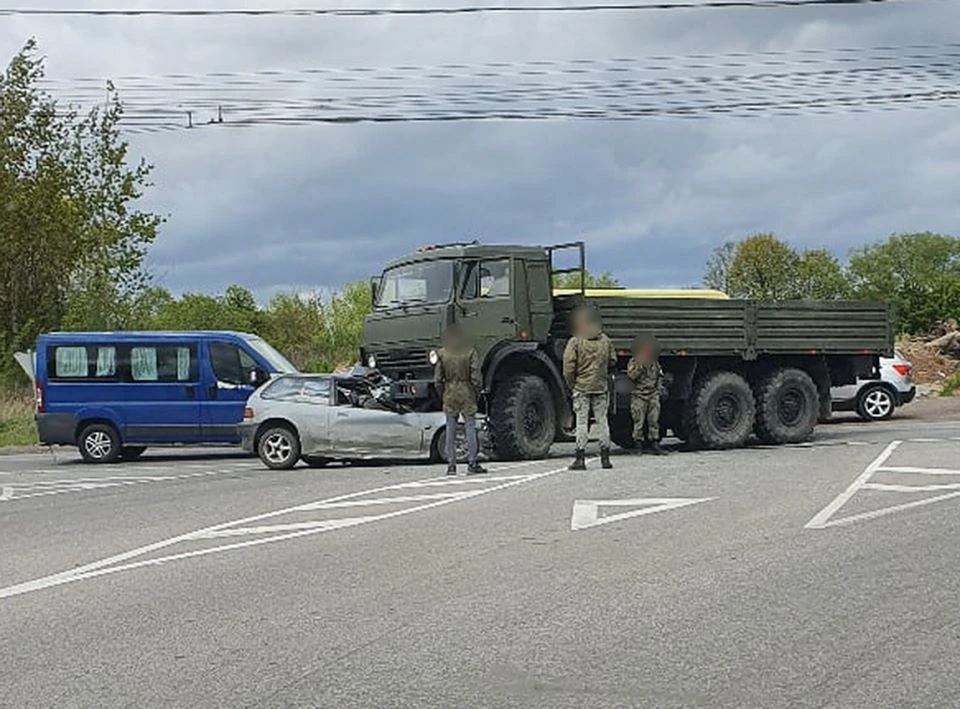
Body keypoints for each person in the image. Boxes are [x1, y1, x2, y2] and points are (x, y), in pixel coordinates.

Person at [562, 306, 617, 470]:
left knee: (581, 422)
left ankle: (580, 458)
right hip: (600, 387)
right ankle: (605, 458)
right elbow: (613, 361)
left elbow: (568, 367)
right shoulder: (605, 340)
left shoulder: (576, 341)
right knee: (602, 422)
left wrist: (572, 384)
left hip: (581, 387)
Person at [434, 323, 487, 476]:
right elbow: (476, 378)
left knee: (450, 428)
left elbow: (437, 380)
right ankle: (472, 463)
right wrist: (476, 393)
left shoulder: (442, 353)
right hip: (467, 392)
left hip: (449, 392)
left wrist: (442, 393)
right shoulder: (470, 352)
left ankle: (451, 465)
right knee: (470, 427)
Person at [627, 334, 665, 455]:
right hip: (638, 395)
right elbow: (632, 376)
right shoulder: (634, 361)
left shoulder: (655, 363)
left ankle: (654, 443)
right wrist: (640, 365)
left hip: (652, 394)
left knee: (654, 420)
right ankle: (638, 444)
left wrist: (658, 390)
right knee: (638, 421)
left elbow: (659, 377)